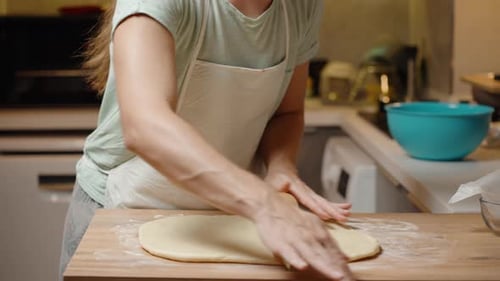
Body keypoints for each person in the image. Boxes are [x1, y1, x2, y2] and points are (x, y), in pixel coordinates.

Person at [59, 1, 354, 280]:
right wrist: (265, 205)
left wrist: (281, 168)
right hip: (120, 212)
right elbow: (144, 125)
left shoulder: (300, 6)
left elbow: (286, 113)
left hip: (229, 218)